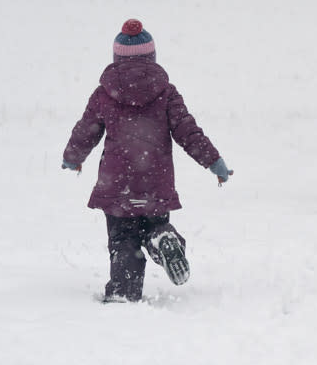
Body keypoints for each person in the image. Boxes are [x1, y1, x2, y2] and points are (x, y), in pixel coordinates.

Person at [62, 19, 232, 302]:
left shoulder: (104, 94)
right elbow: (187, 131)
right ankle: (163, 239)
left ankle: (123, 292)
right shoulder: (166, 92)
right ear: (152, 57)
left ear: (116, 58)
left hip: (117, 184)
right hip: (155, 180)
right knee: (152, 225)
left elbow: (86, 129)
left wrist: (72, 158)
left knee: (123, 239)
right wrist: (213, 161)